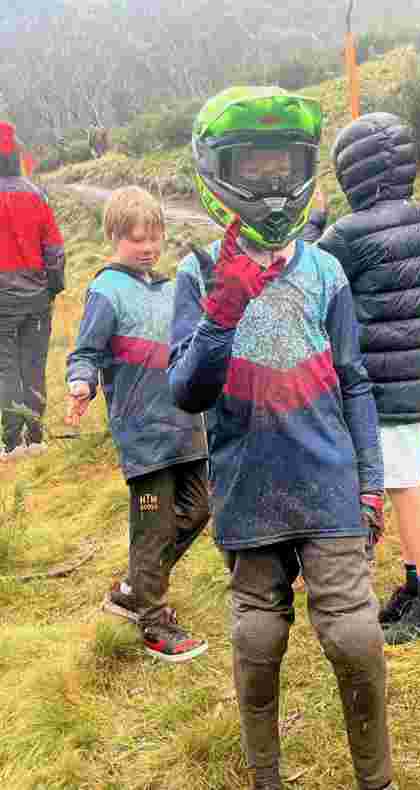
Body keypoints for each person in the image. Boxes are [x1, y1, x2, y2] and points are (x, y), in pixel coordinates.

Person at [169, 87, 394, 790]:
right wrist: (220, 314)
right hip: (247, 488)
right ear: (217, 171)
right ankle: (264, 777)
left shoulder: (325, 271)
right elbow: (187, 392)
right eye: (254, 166)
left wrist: (370, 482)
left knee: (355, 638)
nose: (271, 183)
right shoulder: (197, 274)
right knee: (257, 638)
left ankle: (377, 780)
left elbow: (354, 381)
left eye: (282, 165)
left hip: (328, 482)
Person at [312, 112, 420, 645]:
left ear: (350, 173)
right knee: (407, 482)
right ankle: (415, 583)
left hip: (381, 391)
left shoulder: (348, 234)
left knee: (403, 488)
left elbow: (308, 280)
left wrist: (313, 225)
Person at [66, 186, 210, 663]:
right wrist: (81, 383)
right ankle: (152, 621)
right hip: (144, 432)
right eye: (136, 239)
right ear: (113, 237)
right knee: (153, 526)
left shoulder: (171, 289)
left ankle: (134, 588)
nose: (148, 247)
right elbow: (86, 351)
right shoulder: (107, 290)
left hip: (186, 422)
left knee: (199, 508)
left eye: (154, 237)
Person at [0, 120, 65, 461]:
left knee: (6, 368)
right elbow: (54, 248)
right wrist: (53, 287)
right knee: (34, 366)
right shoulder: (36, 194)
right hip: (37, 297)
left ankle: (11, 443)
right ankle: (36, 438)